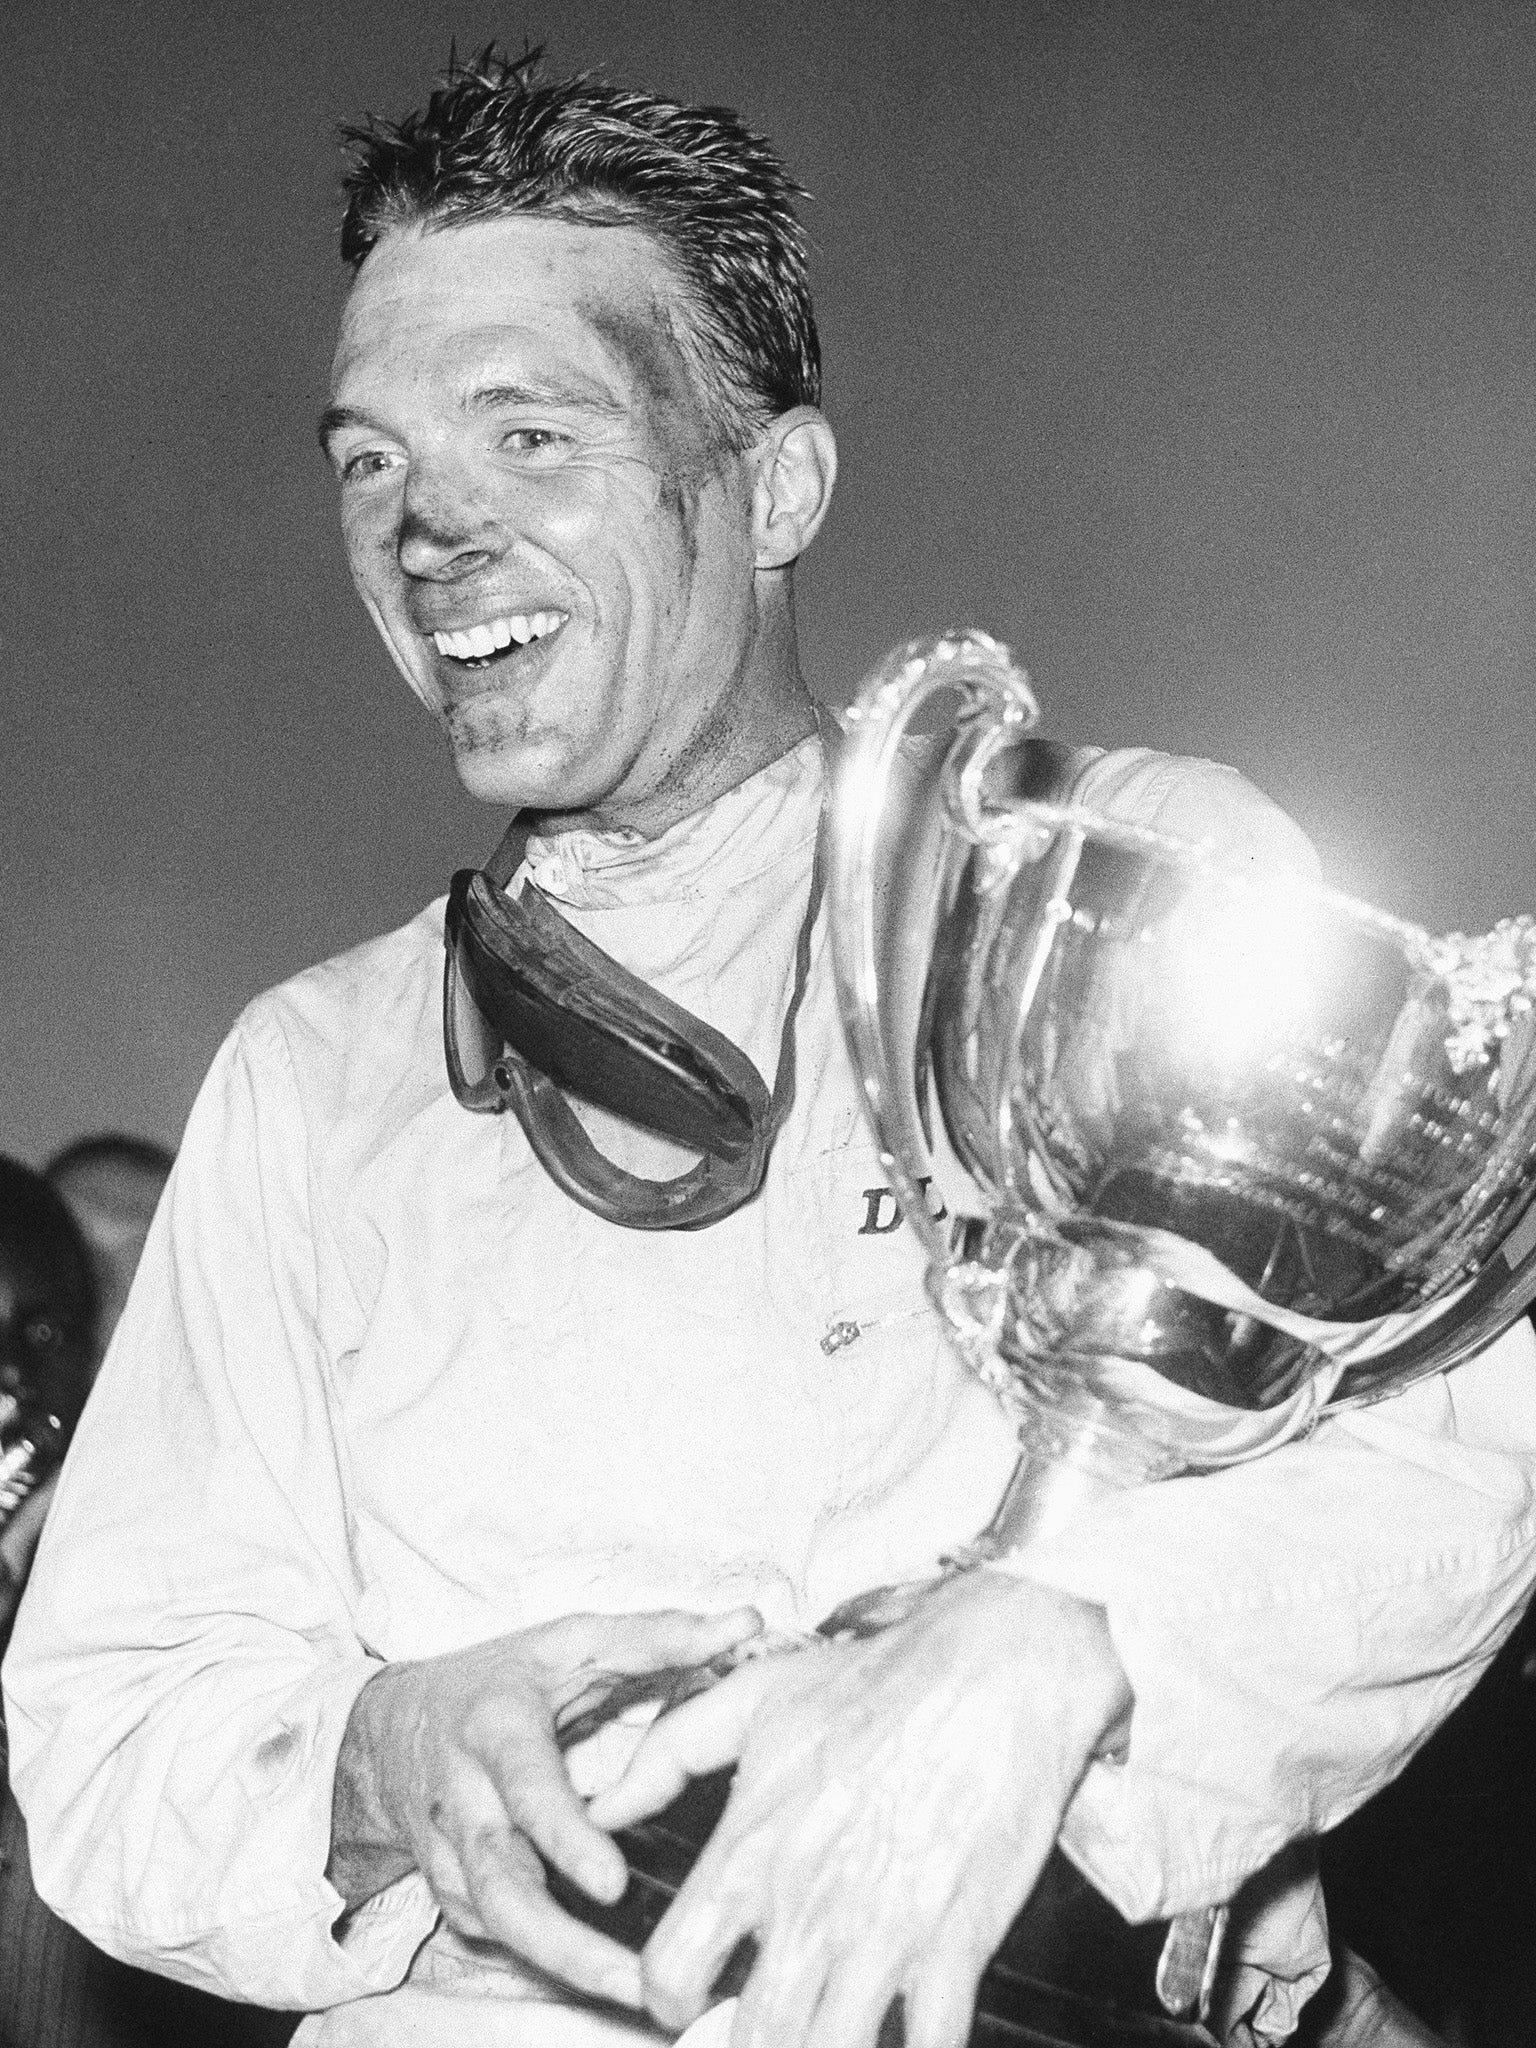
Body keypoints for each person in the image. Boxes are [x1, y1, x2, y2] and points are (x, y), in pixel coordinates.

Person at [6, 51, 1535, 2048]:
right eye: (367, 462)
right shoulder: (311, 1076)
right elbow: (111, 1716)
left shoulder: (1116, 892)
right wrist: (380, 1765)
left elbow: (1458, 1424)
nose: (427, 528)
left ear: (777, 484)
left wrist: (1080, 1642)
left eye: (524, 432)